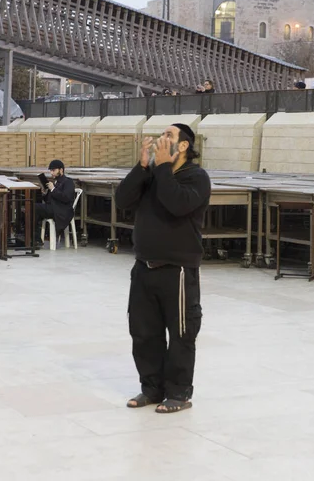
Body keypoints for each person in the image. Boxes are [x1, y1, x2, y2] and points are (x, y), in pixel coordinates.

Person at [115, 123, 211, 414]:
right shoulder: (153, 175)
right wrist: (142, 168)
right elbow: (122, 201)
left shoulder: (196, 177)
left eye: (168, 136)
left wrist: (161, 169)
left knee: (181, 334)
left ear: (183, 146)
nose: (161, 139)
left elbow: (177, 205)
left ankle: (179, 393)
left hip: (177, 269)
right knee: (144, 332)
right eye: (162, 134)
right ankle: (152, 388)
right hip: (143, 267)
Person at [35, 160, 76, 247]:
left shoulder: (68, 182)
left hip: (62, 210)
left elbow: (66, 198)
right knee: (32, 206)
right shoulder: (56, 182)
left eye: (53, 170)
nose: (51, 173)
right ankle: (34, 237)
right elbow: (50, 200)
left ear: (61, 170)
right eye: (50, 171)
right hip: (53, 207)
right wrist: (45, 193)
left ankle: (35, 239)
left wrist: (53, 189)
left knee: (35, 207)